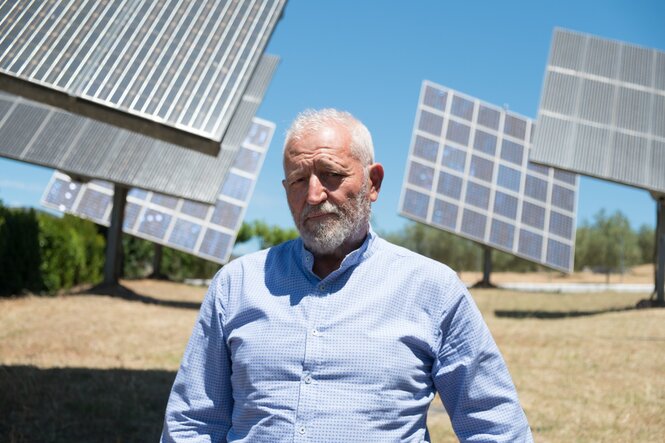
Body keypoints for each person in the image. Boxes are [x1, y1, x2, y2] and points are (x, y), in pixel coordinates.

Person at [161, 109, 533, 442]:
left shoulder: (432, 289)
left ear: (373, 183)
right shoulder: (237, 284)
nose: (313, 195)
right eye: (298, 181)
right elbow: (193, 423)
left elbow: (495, 426)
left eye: (331, 175)